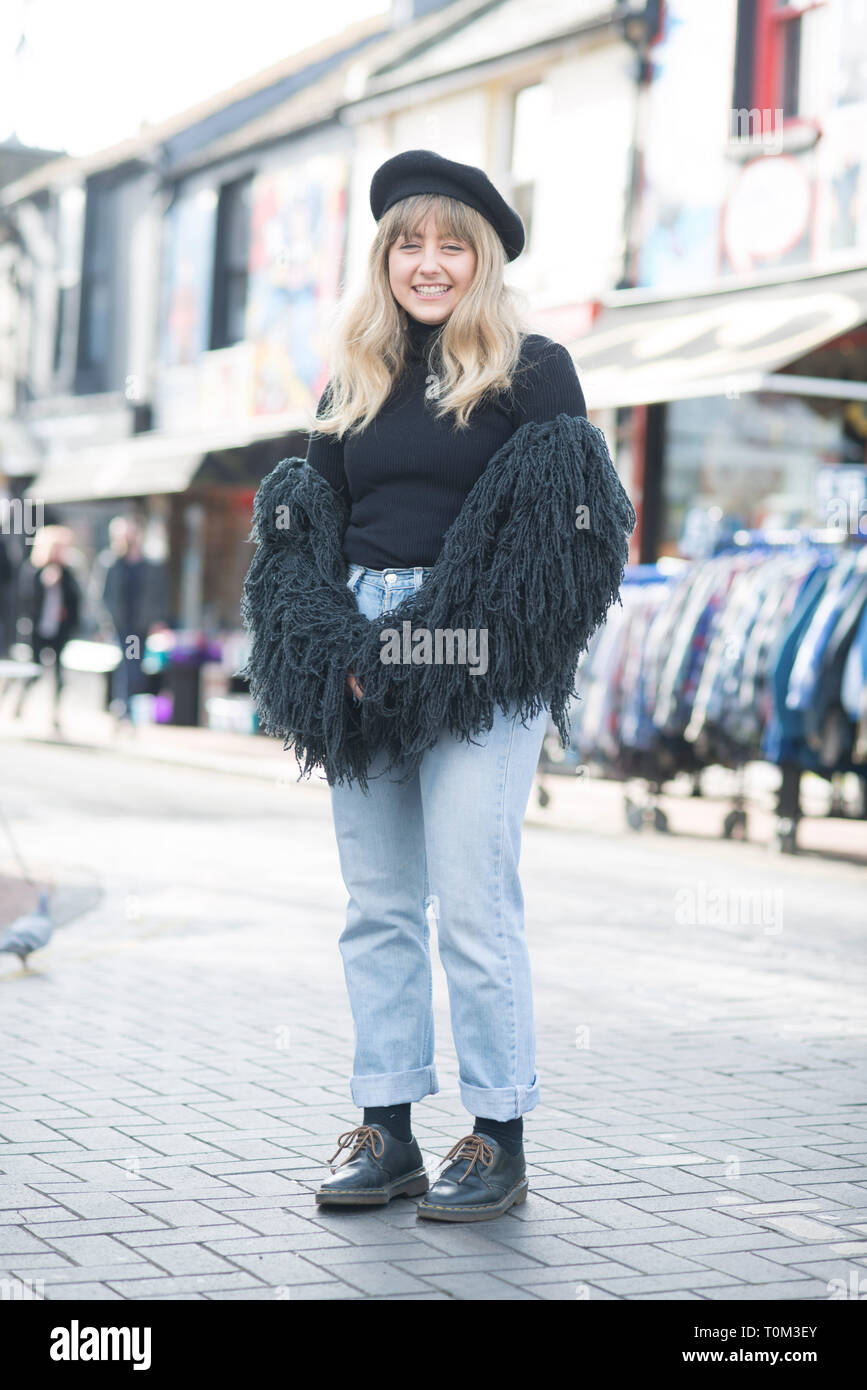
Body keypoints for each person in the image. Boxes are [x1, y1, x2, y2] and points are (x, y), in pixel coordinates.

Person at [243, 149, 633, 1222]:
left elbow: (564, 542)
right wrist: (338, 653)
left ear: (484, 258)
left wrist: (422, 649)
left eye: (450, 243)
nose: (428, 262)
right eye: (408, 243)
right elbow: (300, 538)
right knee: (376, 905)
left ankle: (496, 1135)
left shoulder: (535, 370)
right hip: (360, 649)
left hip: (480, 655)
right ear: (384, 259)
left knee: (472, 899)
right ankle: (389, 1129)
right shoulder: (353, 379)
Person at [91, 516, 169, 721]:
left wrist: (157, 619)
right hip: (121, 625)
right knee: (128, 665)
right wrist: (103, 622)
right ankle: (124, 709)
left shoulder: (149, 564)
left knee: (133, 665)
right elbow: (100, 594)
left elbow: (158, 594)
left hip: (140, 625)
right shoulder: (110, 563)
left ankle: (124, 706)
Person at [13, 525, 82, 728]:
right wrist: (44, 583)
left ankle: (55, 714)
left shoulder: (68, 574)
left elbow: (76, 600)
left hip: (59, 630)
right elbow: (25, 600)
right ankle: (19, 701)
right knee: (35, 670)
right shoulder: (34, 570)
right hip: (38, 628)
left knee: (59, 675)